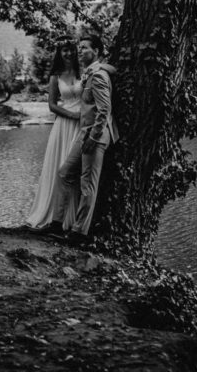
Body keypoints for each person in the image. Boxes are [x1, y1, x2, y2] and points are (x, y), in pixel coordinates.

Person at [55, 33, 119, 245]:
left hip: (96, 136)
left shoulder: (99, 75)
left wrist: (94, 135)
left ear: (97, 51)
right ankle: (57, 223)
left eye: (84, 48)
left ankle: (79, 233)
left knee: (87, 185)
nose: (79, 51)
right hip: (84, 133)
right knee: (64, 172)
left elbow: (104, 110)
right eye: (79, 47)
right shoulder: (90, 73)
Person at [25, 39, 82, 232]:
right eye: (64, 50)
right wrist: (73, 115)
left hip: (82, 127)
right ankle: (55, 216)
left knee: (75, 170)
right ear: (60, 53)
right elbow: (52, 105)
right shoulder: (55, 76)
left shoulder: (84, 73)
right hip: (65, 126)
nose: (68, 53)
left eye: (71, 50)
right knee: (61, 168)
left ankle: (73, 218)